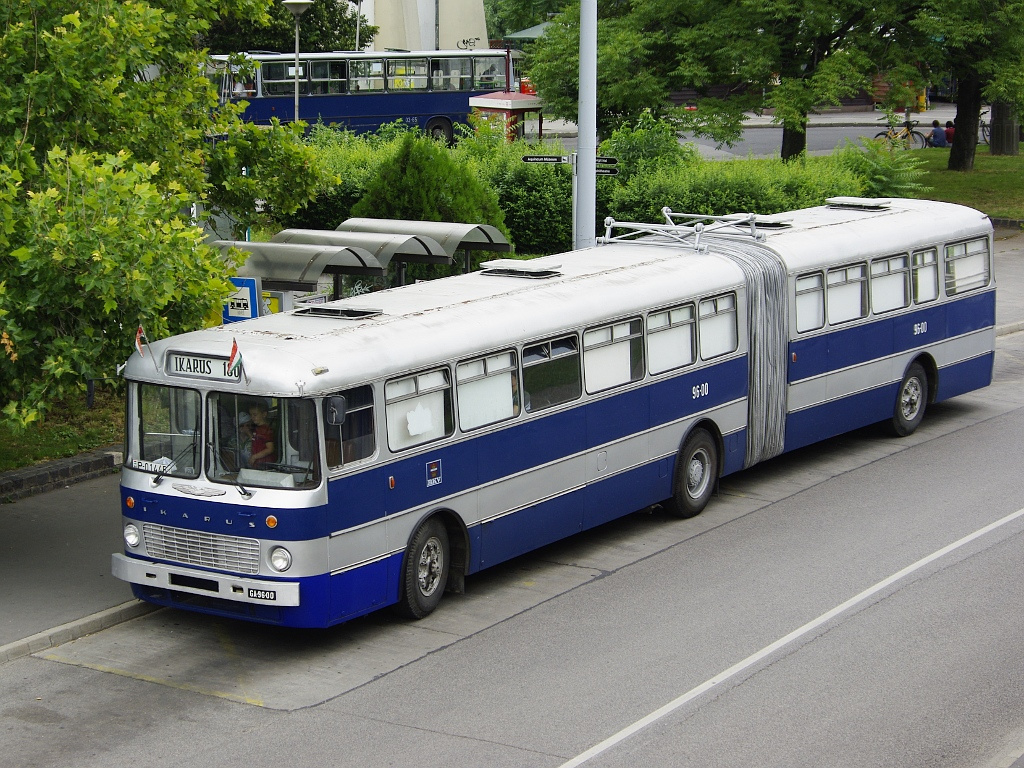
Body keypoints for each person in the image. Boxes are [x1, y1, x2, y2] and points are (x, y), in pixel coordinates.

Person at [247, 402, 276, 467]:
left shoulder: (267, 430)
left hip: (265, 464)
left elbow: (270, 449)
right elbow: (257, 441)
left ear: (264, 414)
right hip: (258, 463)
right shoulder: (257, 428)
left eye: (255, 415)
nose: (252, 417)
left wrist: (254, 457)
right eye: (251, 415)